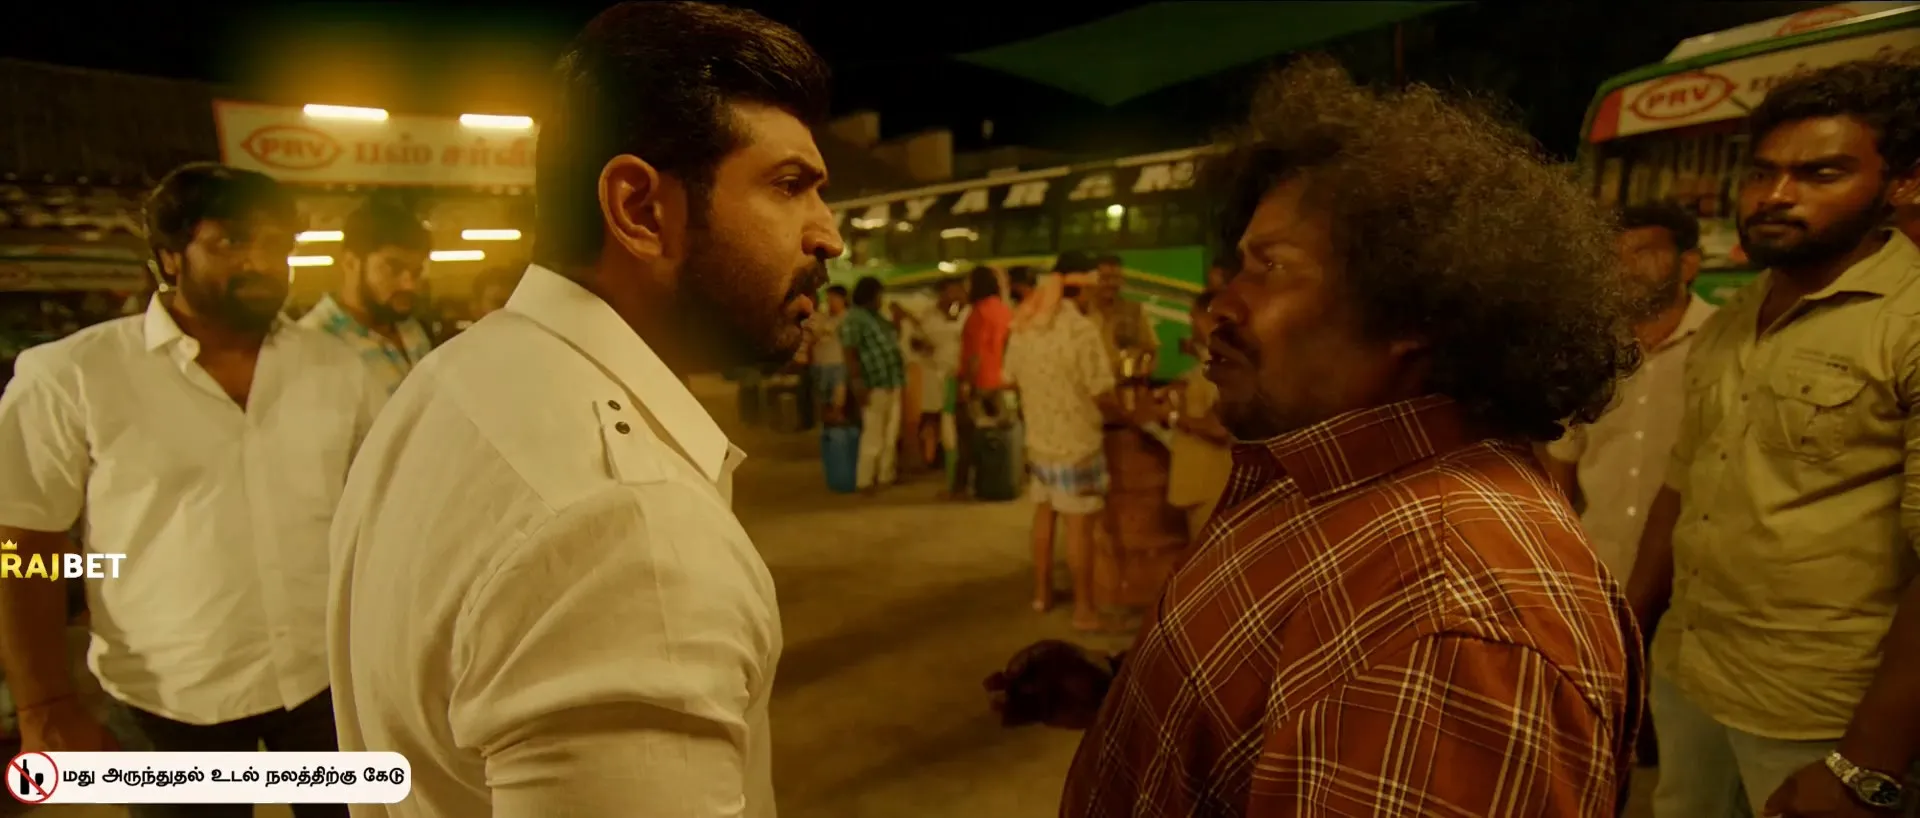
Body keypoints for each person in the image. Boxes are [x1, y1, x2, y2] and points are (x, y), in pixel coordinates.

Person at [987, 57, 1644, 816]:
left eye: (1272, 268)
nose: (1222, 306)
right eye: (1240, 265)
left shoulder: (1452, 627)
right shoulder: (1328, 469)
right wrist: (1131, 692)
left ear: (1414, 310)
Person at [327, 3, 839, 816]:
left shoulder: (457, 373)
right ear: (640, 210)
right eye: (788, 186)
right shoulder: (630, 534)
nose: (828, 235)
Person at [0, 163, 385, 818]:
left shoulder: (338, 370)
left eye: (277, 243)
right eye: (233, 240)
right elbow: (24, 545)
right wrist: (43, 704)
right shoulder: (72, 377)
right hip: (167, 705)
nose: (262, 261)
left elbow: (375, 517)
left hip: (323, 684)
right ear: (171, 257)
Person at [1624, 60, 1920, 818]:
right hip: (1691, 674)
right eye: (1762, 172)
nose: (1776, 195)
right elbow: (1681, 487)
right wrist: (1627, 639)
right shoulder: (1733, 317)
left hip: (1817, 713)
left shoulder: (1909, 321)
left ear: (1901, 183)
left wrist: (1867, 763)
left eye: (1821, 173)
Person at [1542, 200, 1717, 584]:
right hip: (1597, 569)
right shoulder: (1592, 351)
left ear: (1688, 264)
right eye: (1614, 256)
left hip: (1690, 581)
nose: (1625, 268)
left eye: (1643, 253)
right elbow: (1562, 461)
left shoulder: (1722, 343)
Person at [1001, 252, 1121, 631]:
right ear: (1082, 289)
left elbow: (1009, 378)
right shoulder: (1081, 331)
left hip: (1039, 441)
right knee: (1079, 527)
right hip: (1077, 444)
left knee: (1044, 514)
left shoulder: (1025, 324)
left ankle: (1042, 594)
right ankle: (1084, 610)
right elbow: (1101, 391)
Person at [299, 197, 435, 394]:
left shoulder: (410, 329)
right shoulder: (313, 344)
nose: (410, 285)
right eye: (393, 268)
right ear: (350, 263)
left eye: (416, 272)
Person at [1154, 290, 1233, 540]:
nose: (1190, 324)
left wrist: (1174, 416)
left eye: (1194, 318)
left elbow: (1219, 428)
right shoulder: (1212, 360)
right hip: (1203, 489)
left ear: (1210, 319)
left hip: (1215, 490)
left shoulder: (1227, 364)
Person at [840, 275, 906, 492]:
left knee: (890, 433)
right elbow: (850, 353)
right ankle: (865, 480)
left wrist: (898, 318)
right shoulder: (854, 319)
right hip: (874, 383)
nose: (881, 299)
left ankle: (886, 475)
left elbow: (892, 336)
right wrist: (857, 383)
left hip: (891, 380)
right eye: (879, 295)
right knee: (873, 433)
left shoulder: (876, 317)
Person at [953, 264, 1012, 499]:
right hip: (1000, 380)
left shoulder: (978, 313)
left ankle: (962, 486)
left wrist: (967, 383)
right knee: (999, 435)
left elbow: (975, 354)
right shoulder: (1004, 311)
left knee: (968, 436)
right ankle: (1000, 480)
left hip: (979, 381)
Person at [1088, 253, 1160, 378]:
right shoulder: (1082, 312)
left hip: (1123, 385)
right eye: (1105, 278)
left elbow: (1151, 351)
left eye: (1116, 278)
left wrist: (1140, 372)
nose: (1111, 283)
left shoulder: (1134, 311)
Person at [807, 283, 850, 422]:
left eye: (833, 298)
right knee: (821, 401)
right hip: (819, 365)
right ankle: (824, 427)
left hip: (838, 364)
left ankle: (836, 426)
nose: (830, 302)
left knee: (838, 401)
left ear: (842, 299)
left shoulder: (848, 319)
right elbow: (811, 339)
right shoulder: (821, 317)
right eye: (828, 299)